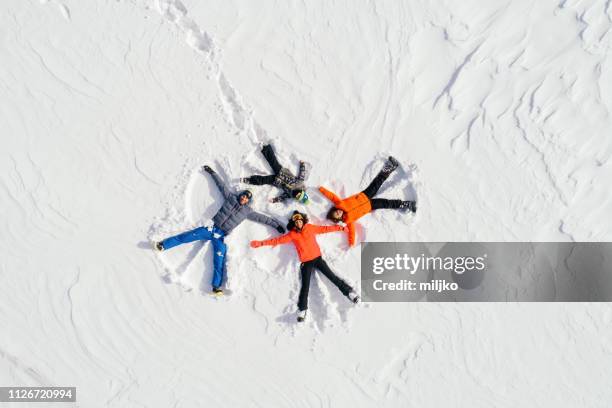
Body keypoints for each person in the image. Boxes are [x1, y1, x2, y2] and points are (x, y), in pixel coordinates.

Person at [154, 165, 285, 296]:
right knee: (186, 237)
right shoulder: (231, 198)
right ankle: (163, 245)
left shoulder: (247, 212)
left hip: (221, 237)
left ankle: (216, 287)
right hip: (211, 228)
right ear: (241, 195)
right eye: (244, 196)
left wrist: (277, 225)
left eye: (247, 198)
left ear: (248, 201)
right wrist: (212, 172)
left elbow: (263, 219)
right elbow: (221, 186)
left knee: (219, 260)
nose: (244, 198)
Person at [250, 211, 359, 322]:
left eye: (300, 220)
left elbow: (324, 229)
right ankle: (302, 310)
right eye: (296, 221)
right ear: (294, 223)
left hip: (318, 259)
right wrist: (261, 243)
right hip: (306, 263)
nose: (298, 223)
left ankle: (349, 293)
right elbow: (277, 240)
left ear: (303, 220)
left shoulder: (310, 228)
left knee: (332, 277)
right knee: (305, 287)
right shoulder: (292, 234)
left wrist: (339, 228)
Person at [320, 156, 416, 247]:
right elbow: (352, 232)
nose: (338, 212)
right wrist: (351, 242)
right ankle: (407, 204)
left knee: (377, 182)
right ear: (339, 219)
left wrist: (322, 190)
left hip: (364, 195)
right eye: (337, 215)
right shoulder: (349, 220)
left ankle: (390, 166)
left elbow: (332, 196)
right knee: (386, 203)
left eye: (336, 211)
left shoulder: (340, 204)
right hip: (370, 206)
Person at [241, 144, 310, 204]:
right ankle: (266, 148)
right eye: (300, 195)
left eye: (298, 197)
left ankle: (249, 180)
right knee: (273, 162)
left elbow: (282, 197)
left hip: (276, 181)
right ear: (302, 193)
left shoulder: (290, 195)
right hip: (282, 172)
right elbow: (302, 174)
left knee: (264, 180)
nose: (297, 195)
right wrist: (302, 165)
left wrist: (275, 200)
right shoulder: (300, 183)